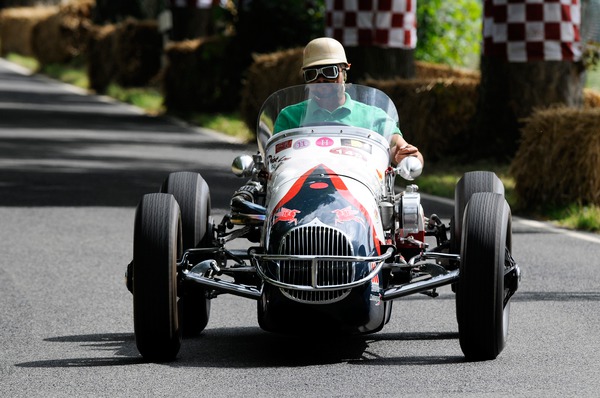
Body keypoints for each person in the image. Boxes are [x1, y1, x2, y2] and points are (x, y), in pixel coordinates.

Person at [274, 37, 424, 170]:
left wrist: (408, 157)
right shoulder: (289, 116)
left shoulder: (374, 116)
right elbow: (274, 161)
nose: (320, 79)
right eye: (312, 74)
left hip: (360, 194)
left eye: (329, 71)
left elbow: (401, 148)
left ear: (345, 71)